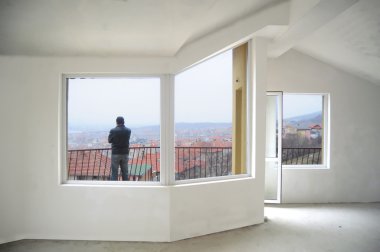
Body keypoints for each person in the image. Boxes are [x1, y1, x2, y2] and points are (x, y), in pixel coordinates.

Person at [108, 116, 131, 181]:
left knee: (114, 173)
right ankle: (126, 187)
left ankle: (114, 188)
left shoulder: (113, 130)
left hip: (115, 153)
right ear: (124, 122)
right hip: (125, 153)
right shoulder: (128, 130)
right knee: (125, 173)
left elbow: (109, 140)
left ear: (116, 122)